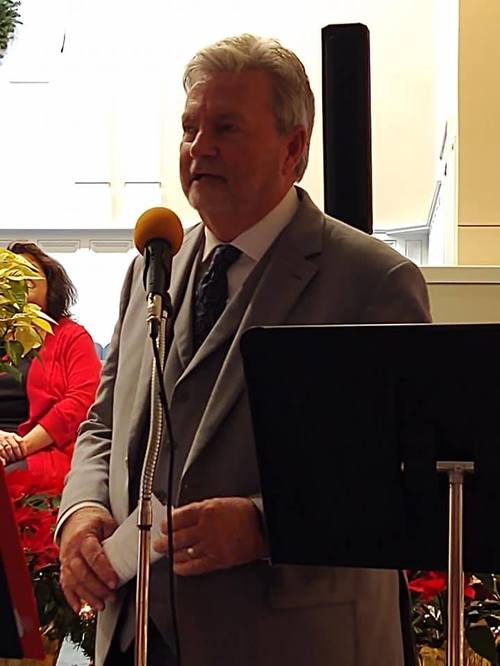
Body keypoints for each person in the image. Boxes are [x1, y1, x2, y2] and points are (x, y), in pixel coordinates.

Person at [56, 34, 431, 666]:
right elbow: (103, 424)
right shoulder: (152, 267)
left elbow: (405, 478)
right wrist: (83, 510)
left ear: (293, 148)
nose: (198, 147)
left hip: (292, 644)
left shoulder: (371, 282)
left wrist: (264, 526)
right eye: (189, 128)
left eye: (225, 127)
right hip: (135, 636)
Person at [0, 242, 101, 476]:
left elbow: (82, 401)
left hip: (40, 451)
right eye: (12, 273)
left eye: (29, 269)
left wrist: (20, 448)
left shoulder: (72, 336)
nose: (21, 277)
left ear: (49, 282)